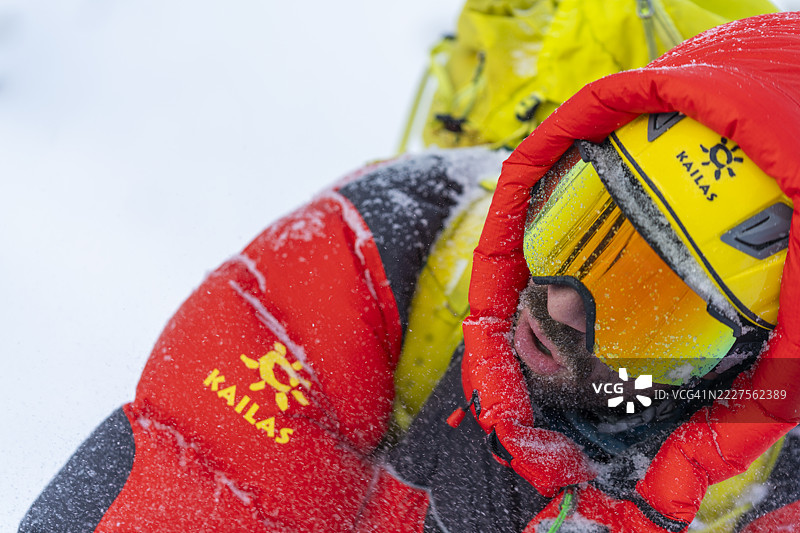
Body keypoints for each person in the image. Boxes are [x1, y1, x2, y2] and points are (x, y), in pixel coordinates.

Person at [19, 2, 796, 533]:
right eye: (575, 228)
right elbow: (191, 484)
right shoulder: (375, 257)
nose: (561, 304)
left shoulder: (775, 475)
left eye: (648, 307)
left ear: (745, 368)